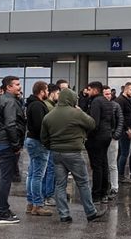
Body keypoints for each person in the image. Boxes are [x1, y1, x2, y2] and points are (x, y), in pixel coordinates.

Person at [40, 88, 107, 223]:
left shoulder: (49, 115)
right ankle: (90, 212)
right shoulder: (76, 113)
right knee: (82, 183)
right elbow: (92, 124)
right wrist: (80, 110)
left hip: (57, 153)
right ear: (71, 99)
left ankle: (64, 215)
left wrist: (52, 147)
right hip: (73, 153)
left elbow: (44, 138)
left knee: (60, 185)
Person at [0, 76, 25, 225]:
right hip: (7, 144)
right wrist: (16, 145)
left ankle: (4, 209)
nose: (20, 87)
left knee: (5, 178)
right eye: (17, 84)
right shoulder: (10, 102)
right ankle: (2, 212)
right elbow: (10, 124)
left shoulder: (0, 99)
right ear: (8, 87)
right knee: (5, 179)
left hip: (0, 141)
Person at [23, 81, 55, 215]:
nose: (48, 92)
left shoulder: (32, 104)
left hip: (32, 140)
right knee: (37, 175)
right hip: (38, 142)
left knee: (32, 174)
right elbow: (39, 126)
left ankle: (31, 203)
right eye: (47, 90)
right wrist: (46, 140)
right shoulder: (37, 105)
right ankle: (37, 205)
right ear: (42, 91)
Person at [85, 82, 113, 203]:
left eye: (89, 89)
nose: (87, 91)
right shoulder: (107, 101)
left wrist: (87, 136)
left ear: (95, 90)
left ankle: (96, 194)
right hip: (106, 135)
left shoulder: (96, 102)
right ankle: (104, 193)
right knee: (103, 164)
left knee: (97, 166)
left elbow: (94, 123)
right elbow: (112, 120)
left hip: (97, 137)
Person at [116, 82, 131, 182]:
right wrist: (127, 129)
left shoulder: (128, 100)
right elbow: (120, 116)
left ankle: (120, 174)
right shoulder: (120, 100)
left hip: (128, 129)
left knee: (123, 153)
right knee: (124, 153)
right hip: (124, 131)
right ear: (125, 89)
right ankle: (120, 175)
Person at [105, 87, 124, 201]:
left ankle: (114, 186)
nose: (108, 95)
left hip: (112, 138)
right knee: (104, 164)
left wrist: (116, 134)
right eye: (105, 94)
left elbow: (120, 120)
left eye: (109, 94)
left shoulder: (115, 106)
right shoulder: (98, 105)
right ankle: (106, 184)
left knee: (112, 164)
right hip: (103, 138)